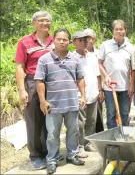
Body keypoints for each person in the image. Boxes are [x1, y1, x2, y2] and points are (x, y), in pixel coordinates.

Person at [35, 28, 86, 174]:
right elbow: (40, 81)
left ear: (69, 42)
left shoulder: (75, 59)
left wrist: (82, 96)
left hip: (71, 103)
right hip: (53, 105)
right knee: (52, 134)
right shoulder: (44, 60)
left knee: (73, 131)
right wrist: (42, 101)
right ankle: (52, 159)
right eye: (59, 39)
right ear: (54, 40)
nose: (62, 42)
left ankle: (72, 155)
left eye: (65, 39)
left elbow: (80, 79)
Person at [15, 11, 54, 169]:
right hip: (32, 82)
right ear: (34, 23)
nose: (45, 23)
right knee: (34, 119)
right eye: (41, 20)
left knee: (51, 118)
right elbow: (19, 66)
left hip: (52, 82)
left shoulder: (55, 39)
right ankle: (36, 155)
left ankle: (49, 152)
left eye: (47, 20)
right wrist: (22, 90)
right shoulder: (25, 42)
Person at [98, 20, 134, 129]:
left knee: (124, 113)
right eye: (116, 29)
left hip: (125, 87)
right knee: (111, 114)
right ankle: (112, 138)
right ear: (113, 31)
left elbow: (133, 69)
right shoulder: (105, 45)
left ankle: (124, 136)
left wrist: (132, 85)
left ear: (125, 30)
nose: (119, 31)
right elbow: (99, 64)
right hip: (110, 88)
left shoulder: (130, 47)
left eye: (121, 29)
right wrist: (106, 76)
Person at [72, 31, 101, 158]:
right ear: (73, 42)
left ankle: (88, 142)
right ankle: (80, 146)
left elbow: (97, 74)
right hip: (79, 95)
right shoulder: (71, 58)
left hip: (93, 93)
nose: (84, 42)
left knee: (92, 121)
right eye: (80, 40)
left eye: (85, 40)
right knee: (80, 123)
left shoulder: (92, 56)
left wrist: (100, 90)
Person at [83, 28, 105, 133]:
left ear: (94, 39)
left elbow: (99, 74)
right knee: (83, 117)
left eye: (91, 37)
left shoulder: (99, 53)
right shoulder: (77, 54)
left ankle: (98, 136)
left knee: (97, 115)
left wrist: (101, 90)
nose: (89, 40)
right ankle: (83, 140)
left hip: (96, 89)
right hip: (83, 90)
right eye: (86, 37)